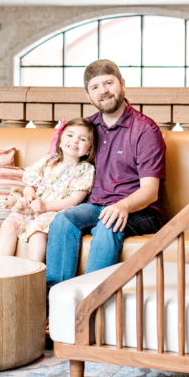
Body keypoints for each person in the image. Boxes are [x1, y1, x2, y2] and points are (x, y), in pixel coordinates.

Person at [44, 60, 166, 293]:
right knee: (63, 219)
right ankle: (57, 302)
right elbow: (61, 167)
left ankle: (91, 306)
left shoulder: (145, 130)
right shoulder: (87, 129)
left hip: (140, 210)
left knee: (107, 224)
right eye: (95, 87)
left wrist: (122, 206)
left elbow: (150, 191)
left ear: (122, 84)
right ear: (89, 96)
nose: (104, 91)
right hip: (95, 205)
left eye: (109, 83)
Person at [0, 118, 96, 263]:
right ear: (60, 141)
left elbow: (75, 200)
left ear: (90, 149)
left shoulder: (85, 169)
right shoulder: (48, 161)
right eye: (70, 135)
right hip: (32, 209)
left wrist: (46, 207)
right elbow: (30, 184)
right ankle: (2, 268)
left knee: (38, 230)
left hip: (54, 213)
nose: (75, 141)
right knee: (9, 223)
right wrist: (29, 195)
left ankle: (34, 271)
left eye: (82, 139)